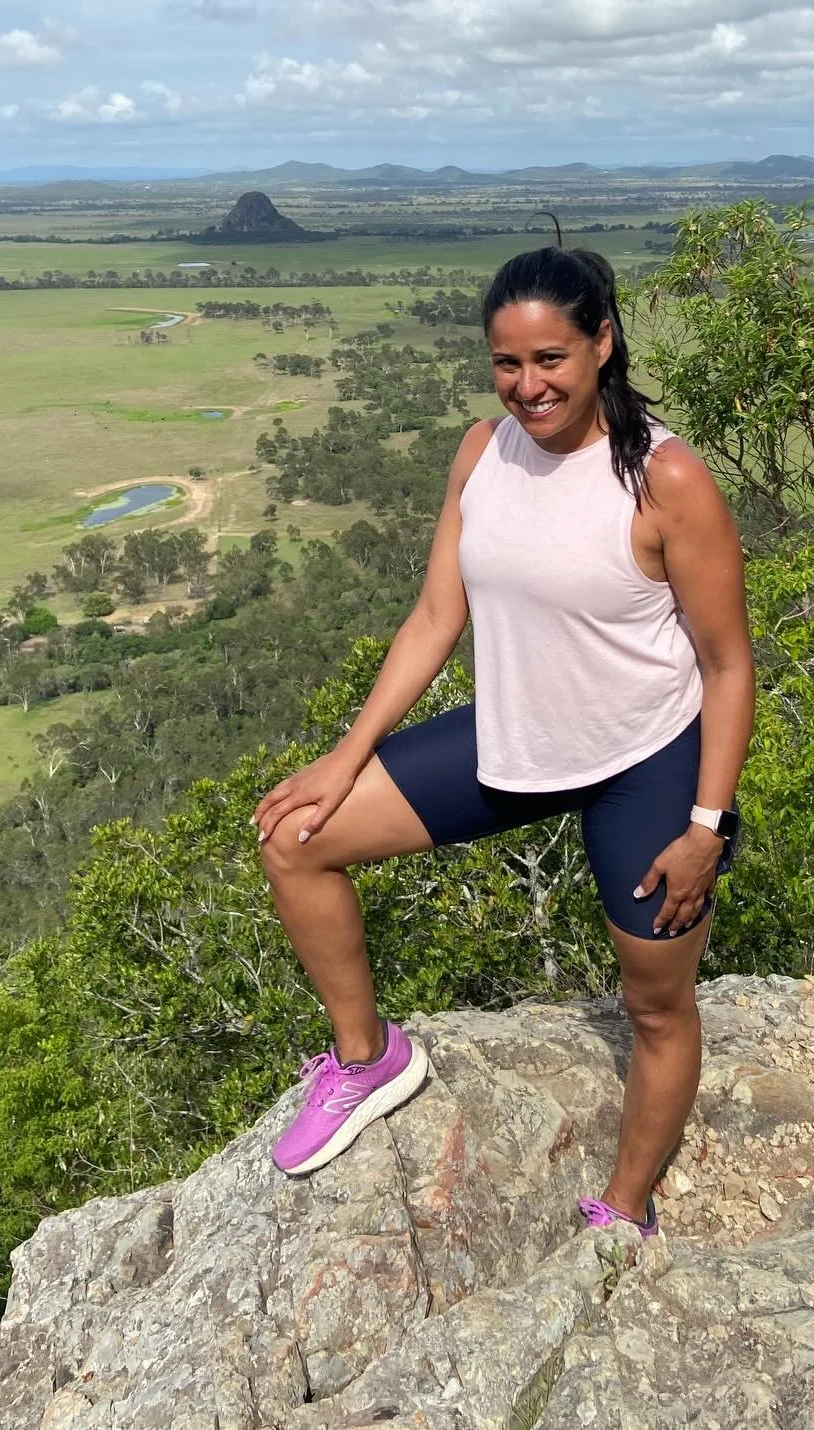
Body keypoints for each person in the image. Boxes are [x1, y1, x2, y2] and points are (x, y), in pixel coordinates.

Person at [254, 245, 754, 1237]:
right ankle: (367, 1059)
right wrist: (345, 756)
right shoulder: (483, 452)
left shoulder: (667, 477)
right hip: (514, 736)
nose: (529, 385)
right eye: (507, 363)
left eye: (552, 358)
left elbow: (729, 663)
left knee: (655, 1003)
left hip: (642, 760)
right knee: (295, 839)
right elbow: (436, 615)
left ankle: (625, 1205)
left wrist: (706, 822)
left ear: (602, 341)